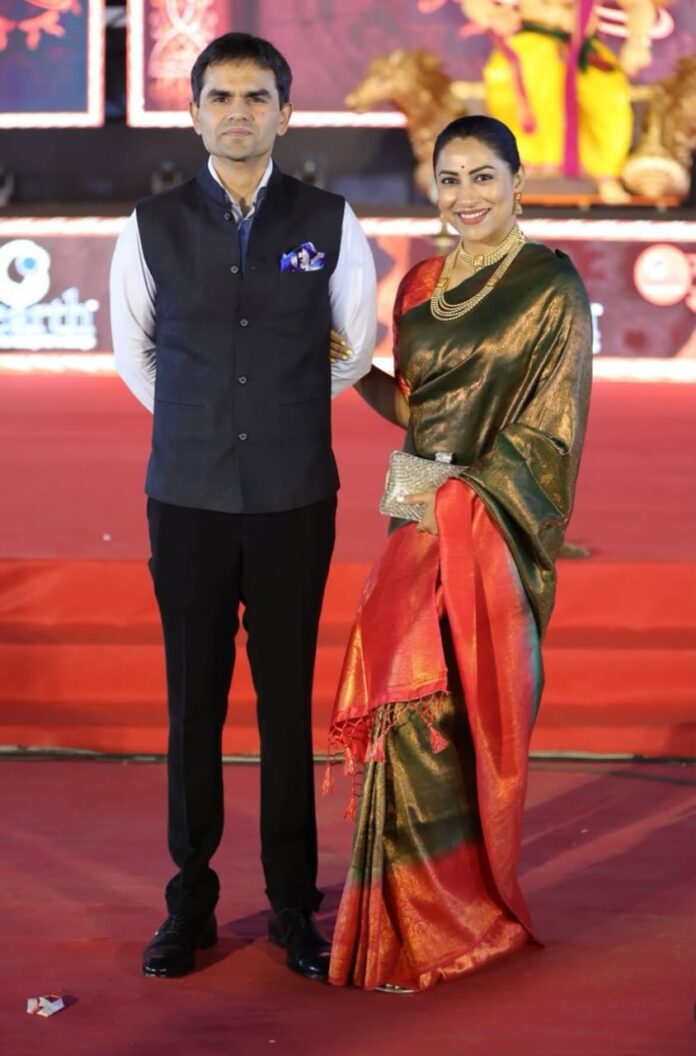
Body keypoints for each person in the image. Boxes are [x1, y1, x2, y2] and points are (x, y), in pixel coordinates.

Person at [109, 32, 376, 980]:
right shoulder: (149, 225)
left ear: (286, 113)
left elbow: (352, 349)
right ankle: (189, 904)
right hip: (185, 497)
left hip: (294, 498)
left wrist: (274, 415)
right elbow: (135, 354)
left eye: (256, 97)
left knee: (285, 709)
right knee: (192, 705)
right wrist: (209, 418)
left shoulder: (332, 221)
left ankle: (295, 907)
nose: (237, 112)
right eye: (219, 96)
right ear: (193, 114)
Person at [326, 115, 592, 992]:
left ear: (518, 183)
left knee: (450, 710)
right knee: (404, 708)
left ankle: (458, 920)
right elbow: (417, 412)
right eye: (450, 179)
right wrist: (350, 368)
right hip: (416, 516)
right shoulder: (421, 284)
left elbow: (550, 432)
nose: (466, 195)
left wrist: (461, 500)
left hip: (489, 528)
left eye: (484, 177)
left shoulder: (549, 283)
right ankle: (399, 916)